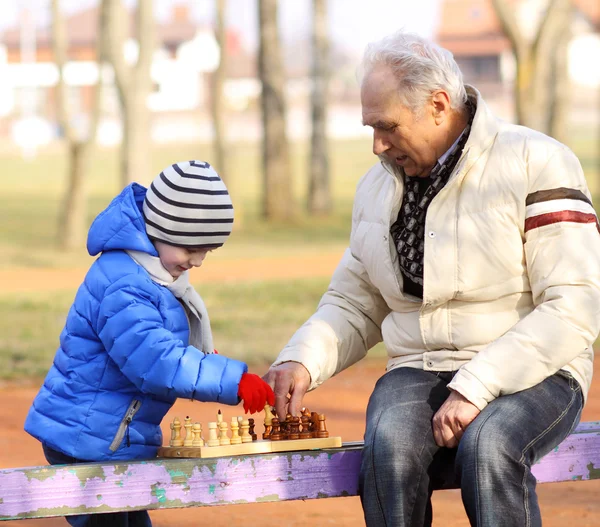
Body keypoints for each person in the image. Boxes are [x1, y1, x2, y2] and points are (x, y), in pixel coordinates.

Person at [263, 31, 600, 527]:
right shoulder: (376, 187)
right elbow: (356, 302)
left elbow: (574, 305)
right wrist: (301, 360)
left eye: (387, 126)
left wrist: (476, 386)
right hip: (420, 366)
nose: (377, 144)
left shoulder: (537, 161)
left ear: (438, 105)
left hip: (537, 372)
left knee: (488, 448)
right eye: (370, 127)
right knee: (389, 450)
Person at [24, 160, 274, 527]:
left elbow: (164, 345)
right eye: (192, 248)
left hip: (112, 436)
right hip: (88, 439)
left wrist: (205, 360)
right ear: (161, 229)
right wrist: (232, 380)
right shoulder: (123, 283)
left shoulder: (149, 274)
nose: (198, 261)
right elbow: (157, 362)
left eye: (207, 250)